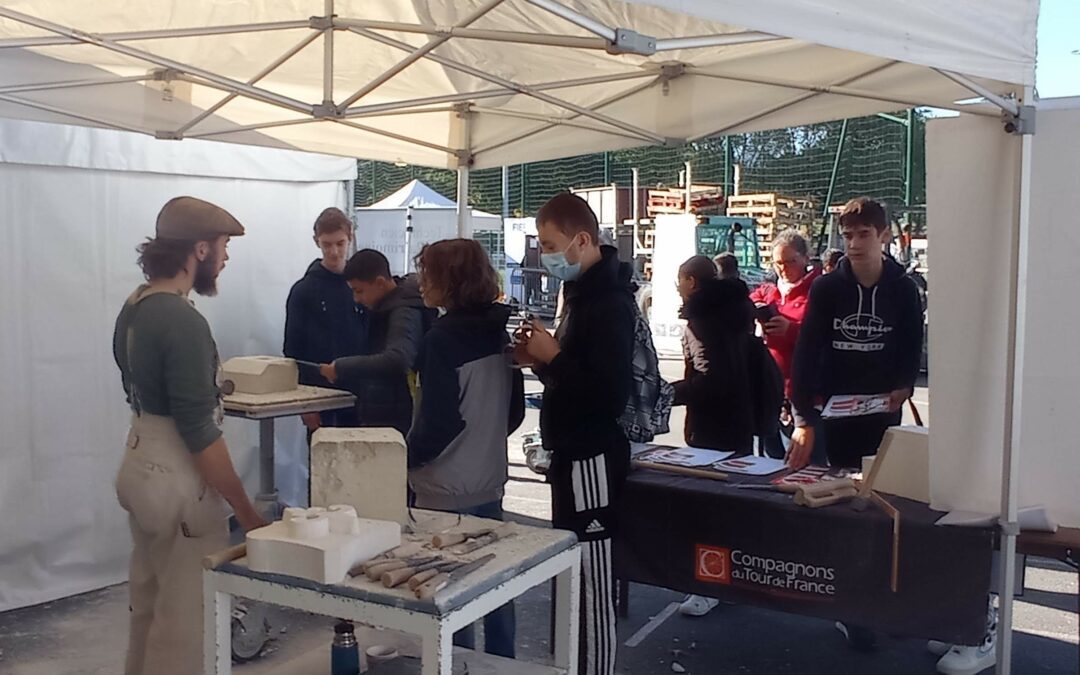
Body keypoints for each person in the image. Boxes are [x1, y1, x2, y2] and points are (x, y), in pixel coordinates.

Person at [112, 196, 267, 675]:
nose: (225, 257)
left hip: (140, 459)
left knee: (149, 607)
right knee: (187, 627)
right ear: (199, 249)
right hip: (177, 477)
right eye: (221, 246)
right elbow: (199, 433)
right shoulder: (183, 320)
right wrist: (247, 513)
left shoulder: (135, 306)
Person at [789, 197, 923, 653]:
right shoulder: (829, 289)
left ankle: (888, 597)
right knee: (847, 510)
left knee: (888, 506)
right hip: (838, 416)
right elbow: (806, 353)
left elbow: (911, 346)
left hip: (883, 414)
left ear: (884, 235)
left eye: (863, 234)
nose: (854, 243)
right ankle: (850, 608)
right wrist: (803, 417)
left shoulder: (905, 288)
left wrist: (903, 385)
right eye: (847, 235)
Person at [518, 192, 635, 675]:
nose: (544, 256)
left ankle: (593, 667)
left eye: (550, 245)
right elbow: (575, 378)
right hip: (572, 452)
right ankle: (575, 664)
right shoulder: (582, 294)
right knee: (574, 574)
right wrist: (542, 361)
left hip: (592, 457)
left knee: (591, 579)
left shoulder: (608, 302)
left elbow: (609, 396)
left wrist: (555, 358)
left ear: (581, 241)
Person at [408, 239, 525, 658]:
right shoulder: (499, 330)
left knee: (446, 596)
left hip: (442, 489)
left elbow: (439, 422)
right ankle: (501, 666)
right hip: (489, 481)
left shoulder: (440, 339)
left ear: (450, 281)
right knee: (496, 588)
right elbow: (513, 413)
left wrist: (404, 459)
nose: (421, 282)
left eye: (428, 274)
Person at [671, 255, 759, 619]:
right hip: (742, 419)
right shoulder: (738, 308)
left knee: (708, 512)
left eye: (679, 280)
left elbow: (709, 379)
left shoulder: (700, 322)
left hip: (712, 428)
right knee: (733, 507)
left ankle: (708, 586)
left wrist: (668, 392)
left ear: (691, 281)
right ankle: (732, 580)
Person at [319, 249, 429, 435]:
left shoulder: (404, 312)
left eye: (359, 291)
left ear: (379, 282)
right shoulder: (388, 307)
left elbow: (398, 359)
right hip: (388, 409)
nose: (356, 299)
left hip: (398, 417)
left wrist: (341, 367)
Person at [283, 207, 367, 431]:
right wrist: (306, 405)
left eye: (340, 243)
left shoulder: (364, 284)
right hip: (320, 395)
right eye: (327, 244)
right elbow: (292, 352)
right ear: (316, 242)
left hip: (362, 392)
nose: (334, 252)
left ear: (350, 237)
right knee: (323, 461)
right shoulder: (303, 291)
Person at [749, 230, 825, 466]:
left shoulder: (819, 290)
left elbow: (825, 338)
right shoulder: (770, 290)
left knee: (809, 463)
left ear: (805, 258)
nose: (783, 268)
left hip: (807, 394)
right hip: (773, 391)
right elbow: (752, 298)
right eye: (778, 263)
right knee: (774, 462)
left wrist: (792, 330)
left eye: (790, 261)